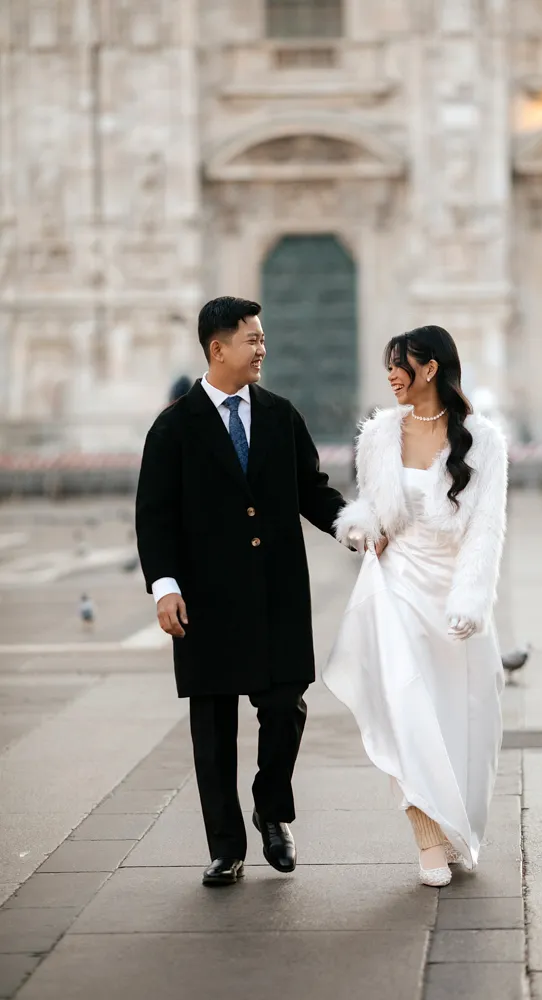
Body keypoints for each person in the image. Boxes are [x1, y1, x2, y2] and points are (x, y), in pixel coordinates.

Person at [135, 296, 345, 887]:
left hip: (278, 592)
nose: (262, 348)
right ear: (216, 347)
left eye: (262, 338)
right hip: (207, 601)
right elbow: (154, 517)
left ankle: (271, 809)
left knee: (285, 708)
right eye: (251, 339)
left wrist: (355, 527)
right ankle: (226, 847)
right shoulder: (174, 427)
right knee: (213, 728)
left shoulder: (280, 415)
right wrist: (165, 588)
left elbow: (313, 490)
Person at [324, 325, 508, 887]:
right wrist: (362, 529)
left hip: (452, 590)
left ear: (431, 368)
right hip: (396, 584)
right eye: (388, 366)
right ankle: (427, 840)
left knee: (462, 715)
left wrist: (471, 598)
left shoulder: (484, 440)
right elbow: (374, 508)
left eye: (399, 365)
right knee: (405, 707)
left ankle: (454, 826)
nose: (391, 376)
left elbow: (486, 529)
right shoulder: (379, 434)